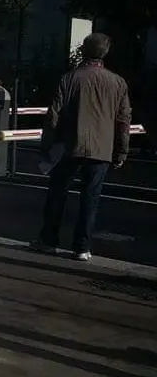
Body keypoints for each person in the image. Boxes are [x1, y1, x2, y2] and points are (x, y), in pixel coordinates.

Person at [30, 33, 132, 261]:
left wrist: (47, 145)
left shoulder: (69, 79)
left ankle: (48, 240)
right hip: (101, 150)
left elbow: (53, 116)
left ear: (84, 51)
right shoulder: (118, 83)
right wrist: (121, 150)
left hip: (69, 147)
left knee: (58, 194)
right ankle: (82, 247)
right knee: (91, 199)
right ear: (105, 52)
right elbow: (123, 120)